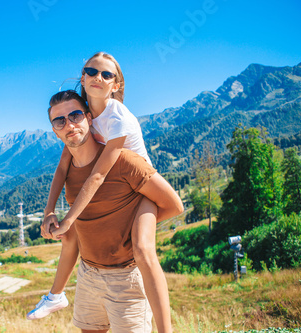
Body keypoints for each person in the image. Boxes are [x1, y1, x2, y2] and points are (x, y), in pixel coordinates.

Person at [27, 53, 183, 332]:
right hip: (92, 273)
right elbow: (62, 168)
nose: (98, 77)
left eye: (106, 74)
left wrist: (70, 220)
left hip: (142, 189)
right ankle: (55, 295)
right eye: (91, 71)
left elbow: (99, 174)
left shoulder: (117, 118)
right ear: (83, 79)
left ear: (117, 85)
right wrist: (49, 211)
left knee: (143, 249)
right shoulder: (81, 115)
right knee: (76, 233)